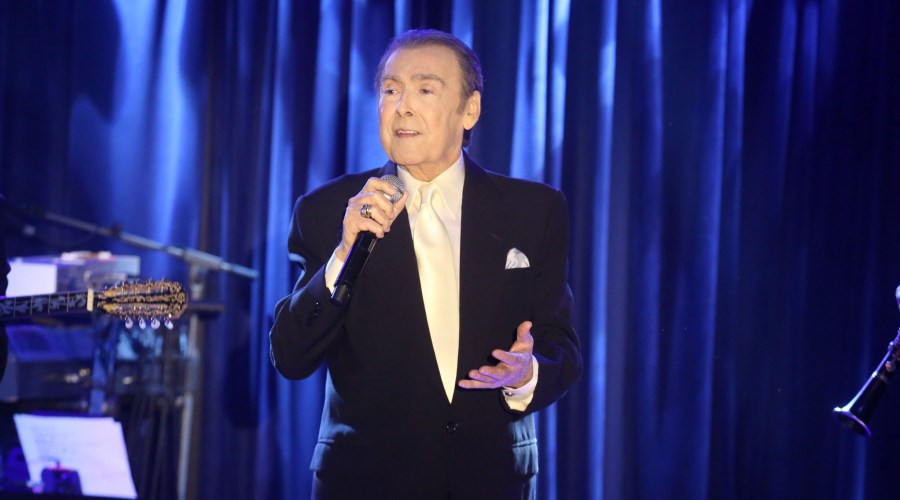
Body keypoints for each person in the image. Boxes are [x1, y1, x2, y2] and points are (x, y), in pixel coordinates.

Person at [269, 29, 582, 499]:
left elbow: (561, 346)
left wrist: (526, 374)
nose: (403, 107)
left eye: (425, 90)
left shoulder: (533, 211)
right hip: (365, 483)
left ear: (469, 110)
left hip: (492, 481)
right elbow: (291, 356)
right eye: (390, 90)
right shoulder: (328, 209)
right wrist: (343, 252)